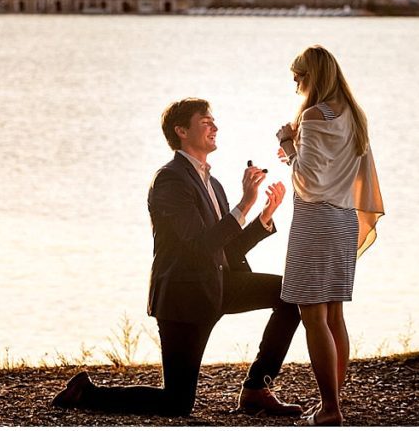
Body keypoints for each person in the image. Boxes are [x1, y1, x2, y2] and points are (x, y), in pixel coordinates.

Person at [52, 98, 304, 418]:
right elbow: (199, 247)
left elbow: (224, 250)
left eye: (214, 121)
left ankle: (256, 387)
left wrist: (264, 216)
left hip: (220, 284)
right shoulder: (169, 180)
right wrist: (245, 203)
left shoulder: (213, 183)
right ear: (181, 130)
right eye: (205, 122)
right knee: (177, 403)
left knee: (290, 295)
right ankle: (85, 392)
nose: (215, 127)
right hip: (185, 296)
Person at [276, 46, 384, 426]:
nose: (296, 89)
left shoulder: (315, 116)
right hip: (343, 218)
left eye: (298, 80)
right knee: (334, 314)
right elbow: (341, 172)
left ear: (312, 78)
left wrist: (287, 143)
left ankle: (330, 409)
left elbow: (306, 180)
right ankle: (331, 402)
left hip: (316, 220)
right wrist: (297, 148)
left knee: (313, 315)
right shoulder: (354, 116)